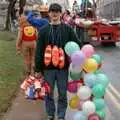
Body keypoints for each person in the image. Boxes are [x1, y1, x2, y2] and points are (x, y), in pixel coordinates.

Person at [34, 3, 82, 120]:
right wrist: (38, 69)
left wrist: (81, 53)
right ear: (49, 13)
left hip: (63, 69)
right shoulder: (43, 31)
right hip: (48, 69)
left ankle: (61, 116)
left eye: (57, 11)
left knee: (62, 94)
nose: (54, 13)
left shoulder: (67, 29)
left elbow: (77, 44)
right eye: (52, 11)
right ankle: (50, 114)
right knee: (48, 93)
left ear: (61, 13)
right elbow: (39, 51)